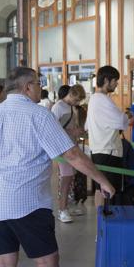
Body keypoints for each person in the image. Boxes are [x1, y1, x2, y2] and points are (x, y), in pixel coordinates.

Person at [0, 67, 115, 267]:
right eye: (38, 84)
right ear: (27, 87)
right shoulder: (38, 114)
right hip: (26, 201)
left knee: (3, 263)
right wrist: (104, 181)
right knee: (46, 261)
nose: (41, 89)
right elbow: (71, 155)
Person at [85, 66, 134, 207]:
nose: (117, 84)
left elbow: (87, 126)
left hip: (98, 150)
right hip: (108, 152)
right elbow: (120, 121)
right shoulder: (102, 100)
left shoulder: (94, 99)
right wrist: (129, 115)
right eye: (115, 80)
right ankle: (108, 219)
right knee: (109, 190)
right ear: (106, 80)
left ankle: (102, 221)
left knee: (100, 189)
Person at [51, 84, 87, 222]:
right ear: (71, 95)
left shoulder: (69, 107)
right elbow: (53, 129)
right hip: (62, 148)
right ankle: (62, 210)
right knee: (66, 179)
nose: (77, 103)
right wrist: (73, 132)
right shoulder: (58, 107)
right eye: (76, 100)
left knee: (70, 178)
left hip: (70, 145)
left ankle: (66, 206)